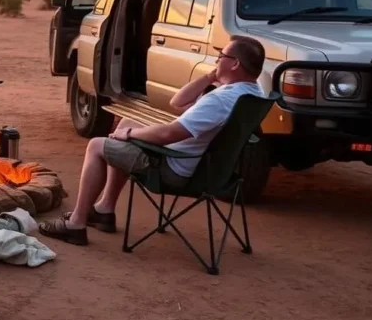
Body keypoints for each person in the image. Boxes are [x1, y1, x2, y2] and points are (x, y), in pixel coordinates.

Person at [39, 35, 267, 246]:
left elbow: (169, 135)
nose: (217, 60)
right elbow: (178, 103)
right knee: (128, 121)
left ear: (235, 64)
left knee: (97, 145)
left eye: (222, 56)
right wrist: (210, 76)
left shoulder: (220, 100)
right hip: (209, 168)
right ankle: (104, 209)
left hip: (174, 167)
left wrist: (129, 136)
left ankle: (76, 223)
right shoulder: (252, 94)